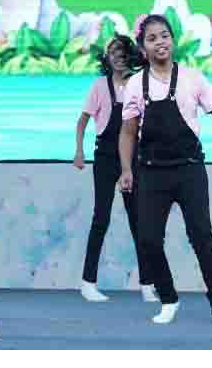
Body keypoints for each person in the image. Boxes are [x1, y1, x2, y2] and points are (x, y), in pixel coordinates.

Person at [117, 14, 212, 326]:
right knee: (147, 239)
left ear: (172, 40)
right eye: (152, 38)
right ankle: (168, 299)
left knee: (201, 236)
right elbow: (128, 132)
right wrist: (126, 169)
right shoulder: (135, 84)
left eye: (164, 36)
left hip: (189, 170)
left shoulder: (192, 78)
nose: (160, 42)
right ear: (143, 48)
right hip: (151, 173)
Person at [72, 33, 154, 302]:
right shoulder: (99, 86)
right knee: (101, 218)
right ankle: (88, 283)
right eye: (113, 53)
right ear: (106, 58)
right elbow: (82, 121)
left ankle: (147, 284)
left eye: (122, 53)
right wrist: (79, 151)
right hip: (105, 158)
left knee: (138, 220)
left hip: (132, 158)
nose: (118, 58)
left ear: (130, 56)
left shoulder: (138, 83)